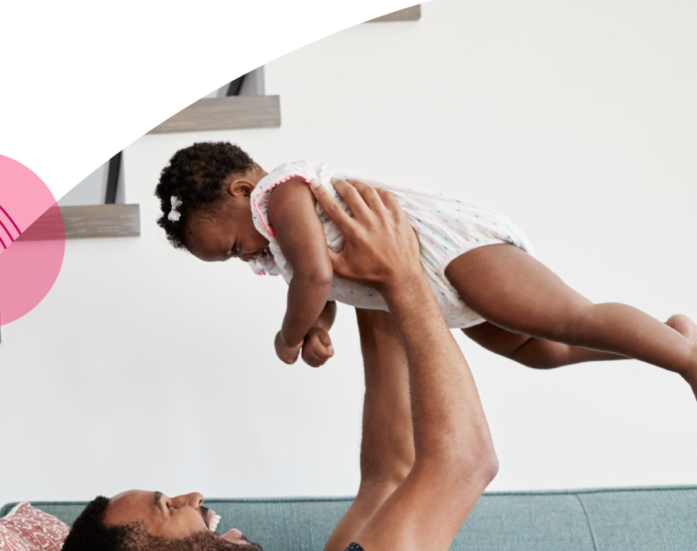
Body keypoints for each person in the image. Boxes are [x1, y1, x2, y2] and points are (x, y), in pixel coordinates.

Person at [59, 177, 696, 551]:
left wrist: (365, 291)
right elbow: (465, 462)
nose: (194, 494)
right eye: (168, 505)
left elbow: (388, 475)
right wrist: (403, 282)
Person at [153, 142, 697, 400]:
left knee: (573, 319)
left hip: (450, 255)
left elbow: (316, 275)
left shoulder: (280, 194)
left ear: (242, 191)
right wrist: (321, 326)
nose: (243, 258)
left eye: (229, 247)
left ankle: (688, 360)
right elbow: (324, 290)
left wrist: (290, 335)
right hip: (431, 290)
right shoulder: (276, 245)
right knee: (538, 351)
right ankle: (665, 341)